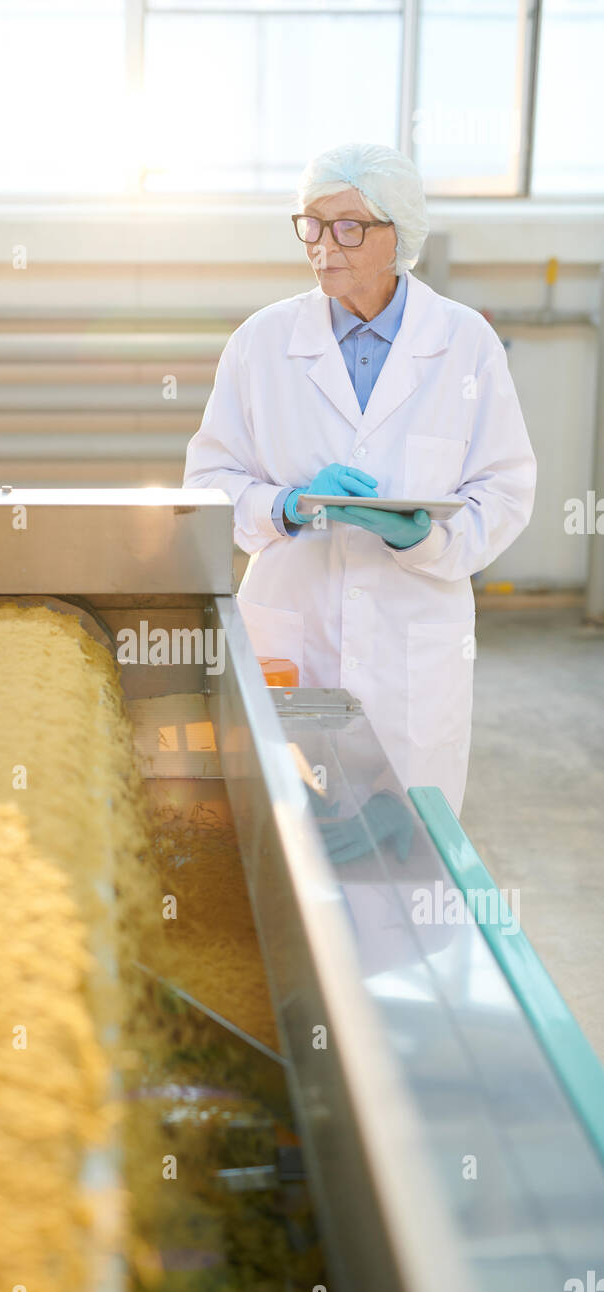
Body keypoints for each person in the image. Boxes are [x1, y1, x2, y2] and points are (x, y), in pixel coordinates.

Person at [183, 142, 536, 817]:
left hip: (414, 646)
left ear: (397, 234)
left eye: (349, 227)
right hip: (294, 628)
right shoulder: (261, 342)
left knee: (408, 859)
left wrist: (422, 541)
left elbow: (505, 491)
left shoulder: (465, 344)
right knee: (280, 840)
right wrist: (284, 506)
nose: (323, 246)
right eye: (310, 224)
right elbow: (208, 482)